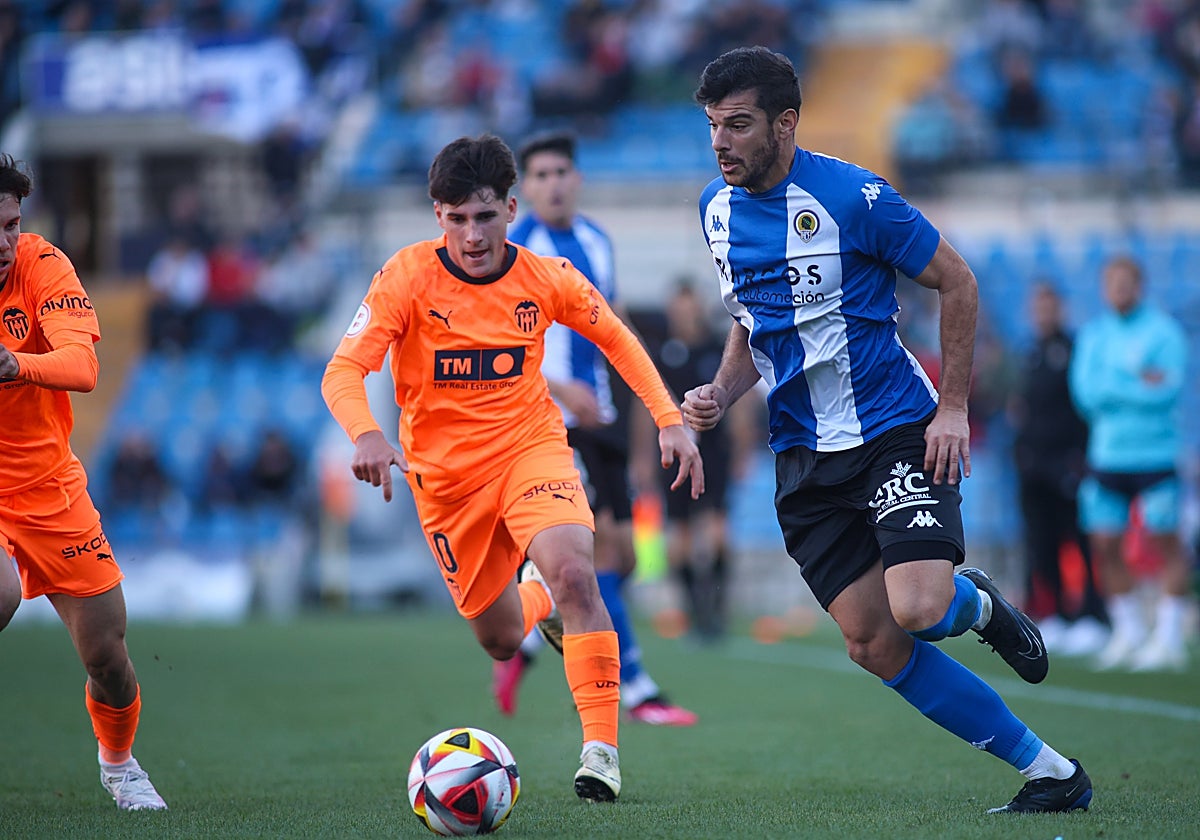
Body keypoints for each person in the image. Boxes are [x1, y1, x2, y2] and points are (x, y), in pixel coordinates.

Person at [681, 46, 1092, 815]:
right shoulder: (716, 211)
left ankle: (976, 606)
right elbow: (751, 322)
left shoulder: (855, 199)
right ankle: (1053, 773)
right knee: (872, 642)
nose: (721, 142)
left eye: (738, 124)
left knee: (919, 608)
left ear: (786, 123)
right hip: (803, 456)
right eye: (712, 125)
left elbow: (958, 281)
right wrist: (720, 390)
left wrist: (956, 408)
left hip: (894, 429)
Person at [321, 134, 704, 803]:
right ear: (438, 215)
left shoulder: (544, 276)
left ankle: (602, 751)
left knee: (579, 572)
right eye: (457, 218)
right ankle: (538, 594)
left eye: (486, 215)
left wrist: (670, 419)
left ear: (510, 208)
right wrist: (367, 434)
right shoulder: (405, 278)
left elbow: (615, 334)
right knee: (500, 639)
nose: (472, 234)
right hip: (445, 485)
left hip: (533, 451)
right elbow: (344, 370)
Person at [490, 130, 698, 727]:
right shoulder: (514, 247)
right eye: (541, 175)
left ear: (577, 179)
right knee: (599, 548)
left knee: (625, 556)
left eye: (562, 172)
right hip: (546, 422)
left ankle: (531, 639)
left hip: (603, 417)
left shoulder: (596, 240)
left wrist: (644, 403)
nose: (553, 184)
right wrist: (561, 388)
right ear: (523, 189)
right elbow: (496, 344)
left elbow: (613, 321)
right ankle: (636, 687)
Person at [0, 154, 167, 811]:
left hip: (49, 486)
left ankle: (120, 765)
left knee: (108, 655)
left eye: (12, 224)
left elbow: (83, 364)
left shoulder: (43, 266)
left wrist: (14, 363)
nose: (3, 242)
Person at [1068, 255, 1192, 672]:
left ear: (1139, 285)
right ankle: (1129, 631)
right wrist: (1136, 379)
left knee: (1166, 544)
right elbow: (1085, 394)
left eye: (1126, 282)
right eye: (1111, 282)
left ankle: (1170, 637)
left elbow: (1166, 392)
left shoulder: (1164, 332)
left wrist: (1113, 384)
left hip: (1154, 455)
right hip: (1106, 456)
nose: (1118, 289)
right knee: (1104, 545)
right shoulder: (1093, 334)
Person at [640, 280, 749, 643]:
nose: (683, 315)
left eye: (689, 308)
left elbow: (740, 398)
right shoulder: (663, 353)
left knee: (718, 529)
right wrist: (642, 455)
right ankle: (694, 613)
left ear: (698, 309)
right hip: (673, 453)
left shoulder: (716, 348)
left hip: (714, 452)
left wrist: (742, 447)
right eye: (678, 309)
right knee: (681, 535)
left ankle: (716, 611)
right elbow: (645, 407)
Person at [1009, 281, 1109, 656]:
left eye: (1049, 307)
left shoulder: (1073, 350)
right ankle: (1054, 614)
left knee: (1079, 540)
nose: (1043, 315)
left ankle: (1091, 614)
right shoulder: (1030, 352)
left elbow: (1082, 406)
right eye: (1038, 308)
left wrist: (1079, 455)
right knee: (1041, 541)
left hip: (1066, 461)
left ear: (1061, 309)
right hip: (1033, 464)